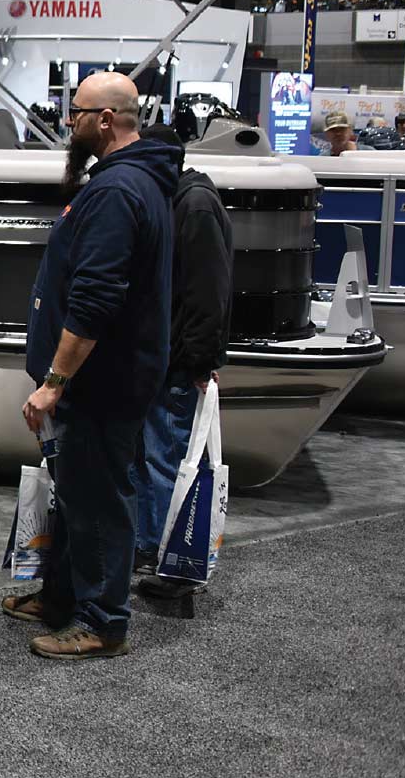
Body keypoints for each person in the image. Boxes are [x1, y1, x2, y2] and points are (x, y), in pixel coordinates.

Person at [1, 71, 178, 660]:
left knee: (98, 498)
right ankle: (65, 597)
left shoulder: (117, 191)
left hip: (101, 382)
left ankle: (102, 621)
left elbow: (96, 298)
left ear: (104, 120)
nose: (67, 123)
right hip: (111, 376)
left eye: (74, 113)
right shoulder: (131, 182)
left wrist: (55, 381)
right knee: (78, 493)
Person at [133, 125, 232, 599]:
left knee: (167, 460)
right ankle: (156, 547)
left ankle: (171, 561)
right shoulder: (188, 201)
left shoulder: (192, 205)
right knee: (160, 458)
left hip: (176, 362)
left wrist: (198, 361)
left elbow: (207, 292)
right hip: (168, 358)